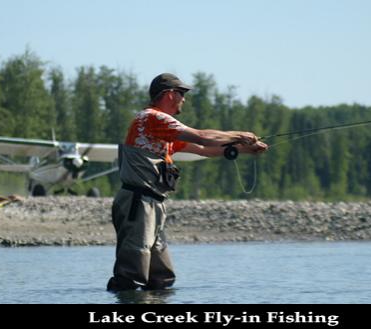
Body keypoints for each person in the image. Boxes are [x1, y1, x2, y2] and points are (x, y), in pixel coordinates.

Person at [107, 73, 268, 291]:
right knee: (131, 275)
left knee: (160, 277)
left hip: (154, 203)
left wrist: (246, 150)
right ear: (170, 94)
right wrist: (240, 135)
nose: (184, 99)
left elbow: (203, 149)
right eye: (182, 93)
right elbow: (201, 136)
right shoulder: (152, 118)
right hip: (138, 202)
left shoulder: (163, 132)